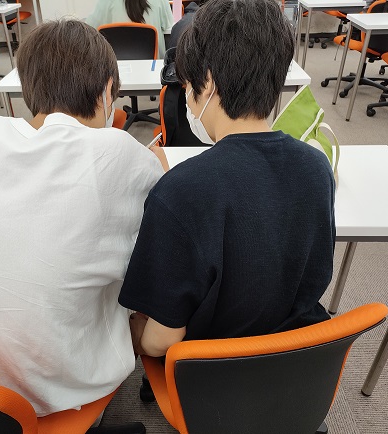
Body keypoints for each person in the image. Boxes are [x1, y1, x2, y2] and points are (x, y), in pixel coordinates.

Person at [0, 19, 166, 416]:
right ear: (108, 90)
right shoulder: (120, 153)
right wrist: (155, 165)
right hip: (63, 386)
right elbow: (162, 224)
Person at [119, 0, 336, 357]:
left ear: (207, 83)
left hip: (209, 375)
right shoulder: (317, 168)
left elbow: (159, 343)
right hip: (293, 365)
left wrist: (127, 332)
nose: (187, 100)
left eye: (187, 86)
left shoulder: (179, 192)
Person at [87, 0, 173, 58]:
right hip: (153, 68)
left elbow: (90, 27)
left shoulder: (105, 2)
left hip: (115, 68)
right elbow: (168, 24)